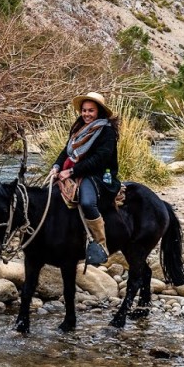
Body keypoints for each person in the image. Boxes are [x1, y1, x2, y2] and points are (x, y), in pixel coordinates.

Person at [49, 91, 121, 263]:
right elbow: (66, 151)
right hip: (76, 171)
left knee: (88, 202)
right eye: (84, 110)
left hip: (98, 174)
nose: (86, 114)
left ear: (99, 112)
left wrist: (72, 172)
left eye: (91, 111)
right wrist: (56, 166)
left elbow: (99, 159)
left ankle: (100, 244)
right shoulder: (79, 127)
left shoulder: (106, 131)